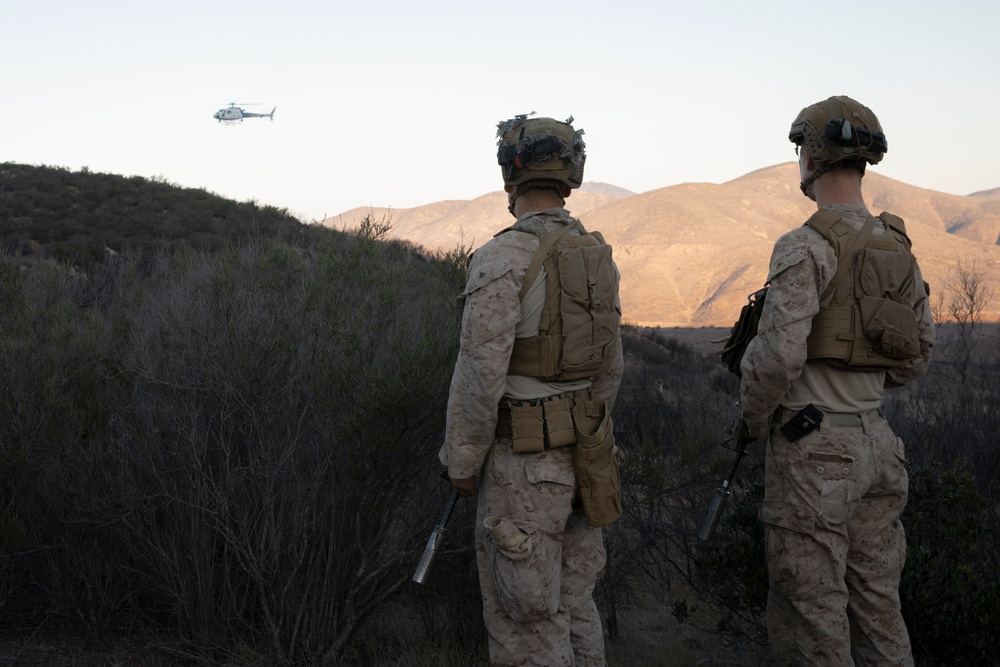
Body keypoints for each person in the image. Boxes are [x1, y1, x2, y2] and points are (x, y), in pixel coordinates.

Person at [738, 95, 935, 666]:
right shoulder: (896, 247)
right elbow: (916, 358)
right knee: (879, 613)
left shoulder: (805, 246)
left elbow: (775, 360)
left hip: (814, 455)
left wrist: (753, 420)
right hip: (878, 447)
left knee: (811, 622)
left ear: (813, 159)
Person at [439, 114, 624, 667]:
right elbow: (610, 368)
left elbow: (480, 373)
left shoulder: (502, 258)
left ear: (509, 175)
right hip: (588, 455)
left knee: (526, 623)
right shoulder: (596, 254)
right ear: (570, 175)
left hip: (522, 467)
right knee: (576, 605)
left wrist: (462, 460)